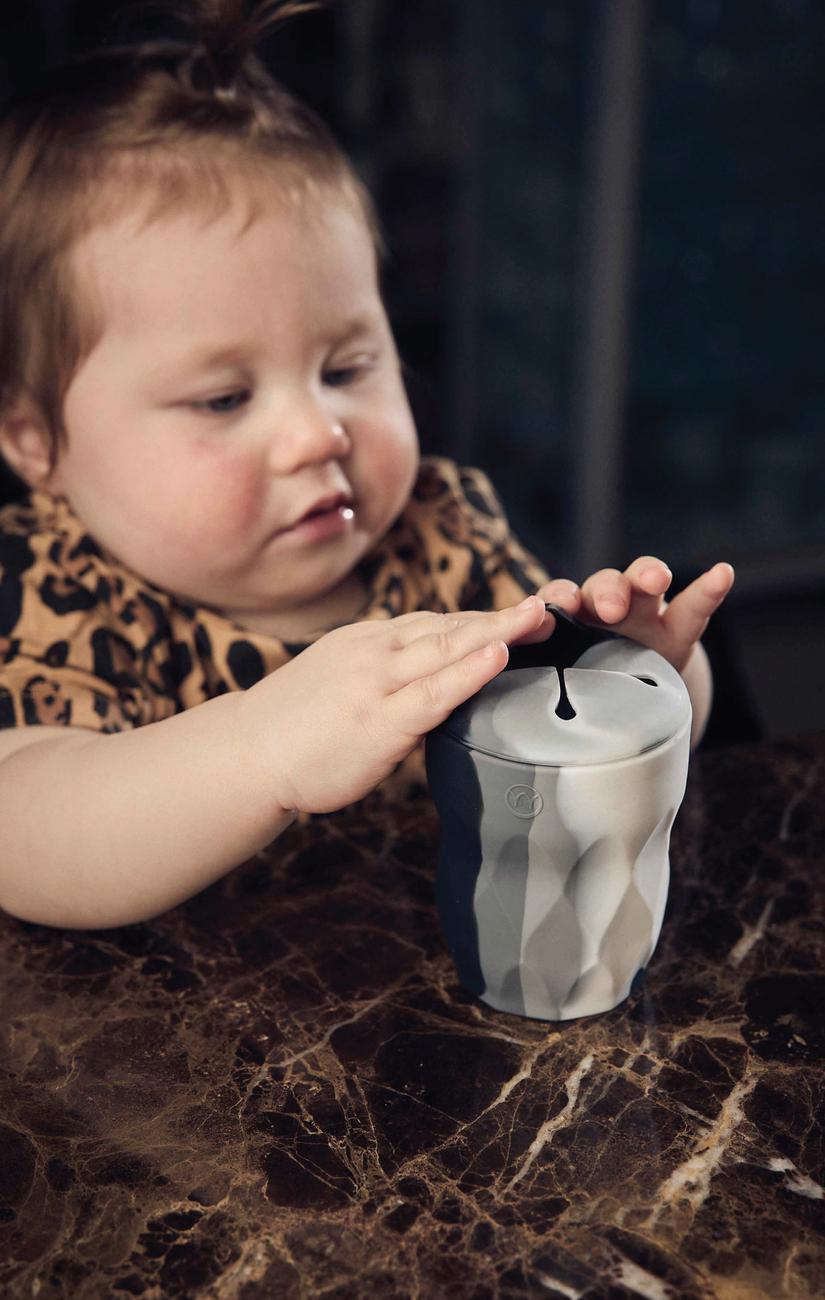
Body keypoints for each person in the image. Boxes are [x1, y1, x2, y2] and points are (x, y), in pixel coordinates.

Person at [0, 0, 733, 930]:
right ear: (36, 441)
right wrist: (261, 749)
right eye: (225, 399)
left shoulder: (442, 535)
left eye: (346, 369)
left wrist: (645, 679)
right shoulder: (53, 589)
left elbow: (573, 739)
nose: (320, 435)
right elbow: (23, 833)